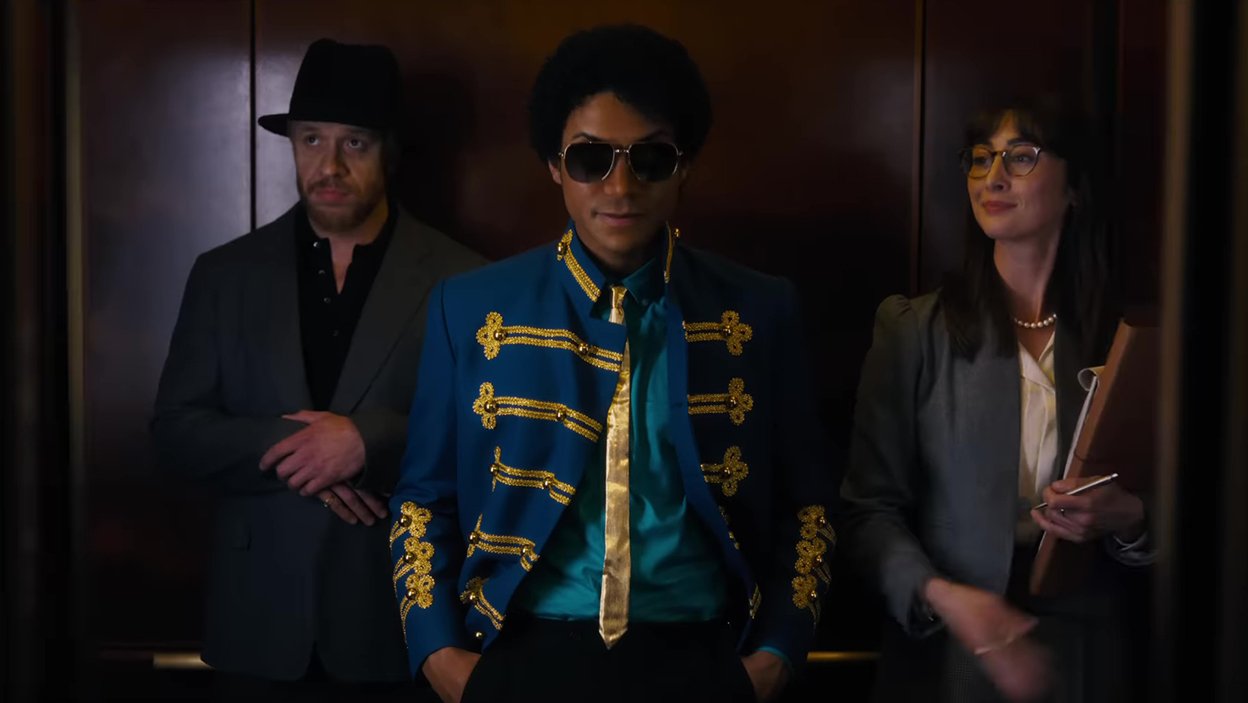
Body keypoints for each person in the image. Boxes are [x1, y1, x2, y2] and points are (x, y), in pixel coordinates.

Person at [386, 24, 837, 703]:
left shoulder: (760, 309)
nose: (620, 185)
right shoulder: (470, 308)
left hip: (707, 659)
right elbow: (424, 499)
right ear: (553, 164)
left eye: (650, 158)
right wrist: (442, 659)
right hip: (519, 657)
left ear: (684, 164)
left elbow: (809, 505)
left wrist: (775, 656)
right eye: (590, 158)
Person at [150, 38, 484, 701]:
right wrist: (300, 447)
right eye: (310, 140)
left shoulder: (466, 279)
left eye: (354, 143)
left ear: (390, 151)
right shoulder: (223, 275)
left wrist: (368, 441)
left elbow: (493, 436)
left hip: (398, 627)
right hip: (257, 628)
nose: (328, 165)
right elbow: (175, 432)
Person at [839, 96, 1154, 703]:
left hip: (1091, 651)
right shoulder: (914, 330)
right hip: (948, 647)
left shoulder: (1124, 338)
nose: (993, 176)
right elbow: (866, 511)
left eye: (1021, 156)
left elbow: (1189, 499)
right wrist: (944, 597)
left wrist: (1133, 517)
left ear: (1074, 187)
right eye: (981, 159)